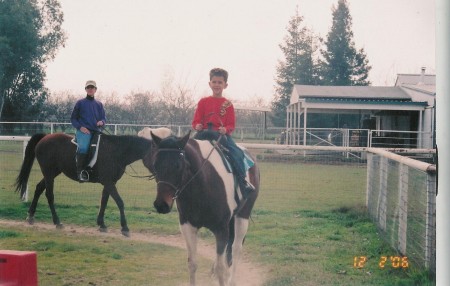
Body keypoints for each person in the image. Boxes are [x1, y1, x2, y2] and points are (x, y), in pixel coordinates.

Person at [192, 68, 255, 201]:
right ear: (209, 84)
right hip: (203, 134)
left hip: (220, 135)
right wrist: (197, 125)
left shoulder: (228, 105)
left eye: (220, 82)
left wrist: (225, 129)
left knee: (237, 153)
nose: (216, 85)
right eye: (214, 82)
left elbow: (231, 124)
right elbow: (196, 120)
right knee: (186, 150)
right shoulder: (203, 102)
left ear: (225, 85)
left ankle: (243, 182)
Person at [70, 80, 106, 182]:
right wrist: (81, 127)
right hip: (83, 131)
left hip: (96, 131)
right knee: (84, 148)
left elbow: (103, 118)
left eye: (92, 87)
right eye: (88, 87)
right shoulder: (80, 103)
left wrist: (101, 122)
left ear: (95, 90)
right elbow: (73, 119)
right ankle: (80, 172)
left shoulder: (99, 104)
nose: (90, 89)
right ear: (86, 89)